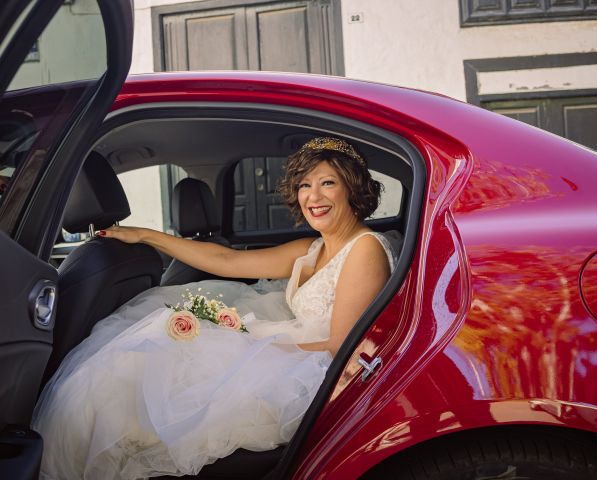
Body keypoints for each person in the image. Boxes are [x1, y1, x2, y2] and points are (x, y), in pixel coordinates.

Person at [32, 137, 396, 479]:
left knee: (165, 367)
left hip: (315, 370)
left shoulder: (364, 249)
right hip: (292, 345)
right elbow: (227, 260)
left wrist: (247, 344)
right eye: (304, 185)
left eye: (327, 183)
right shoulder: (312, 247)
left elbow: (340, 348)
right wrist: (146, 235)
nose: (312, 196)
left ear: (352, 187)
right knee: (143, 356)